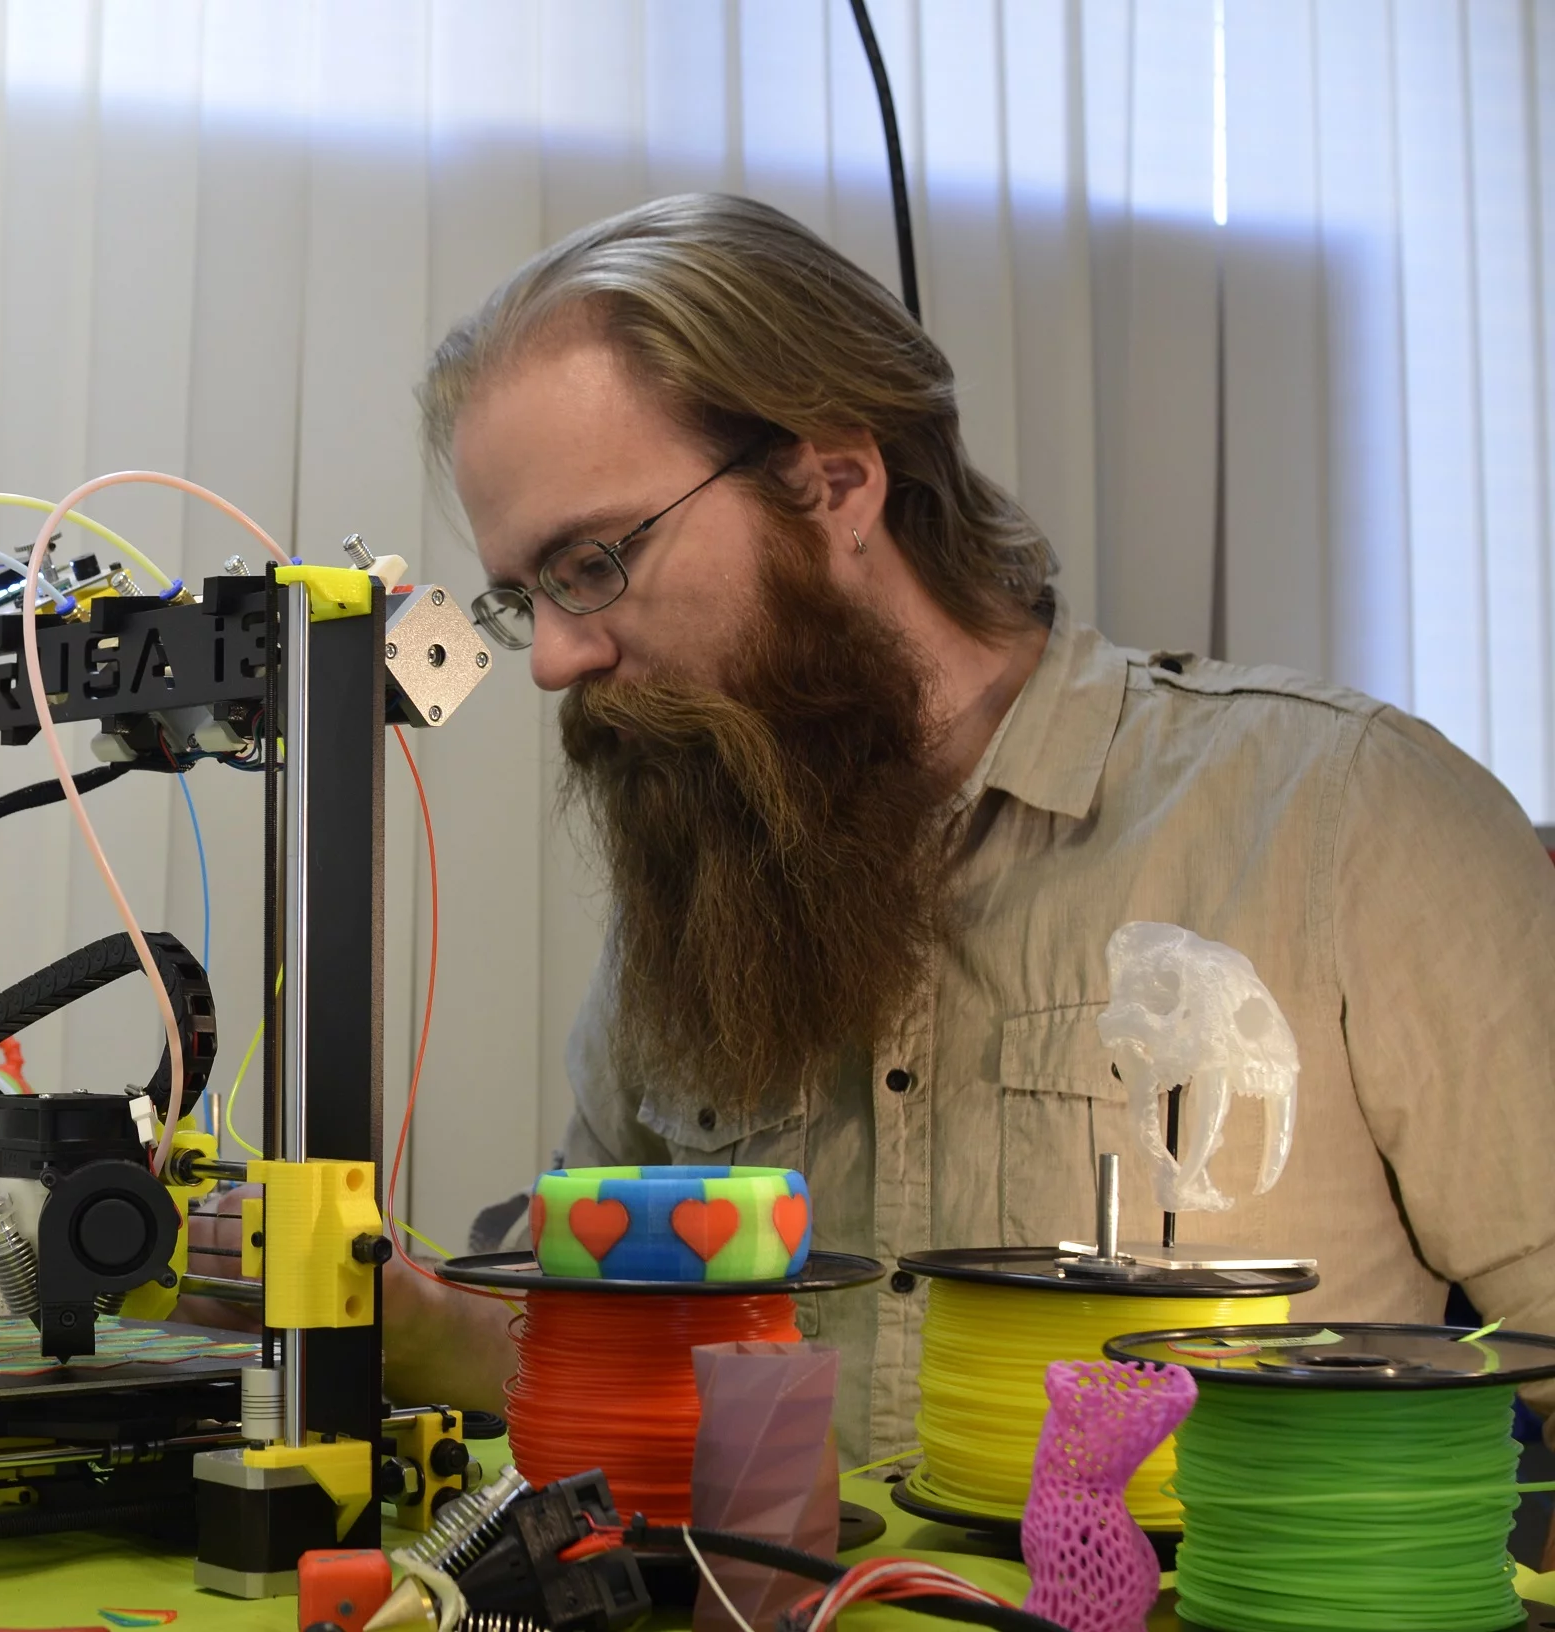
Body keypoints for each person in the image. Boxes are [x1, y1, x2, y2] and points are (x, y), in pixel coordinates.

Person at [383, 192, 1555, 1464]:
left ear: (832, 482)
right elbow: (603, 1371)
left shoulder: (1345, 817)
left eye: (593, 564)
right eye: (523, 600)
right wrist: (389, 1318)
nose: (553, 658)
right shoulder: (699, 896)